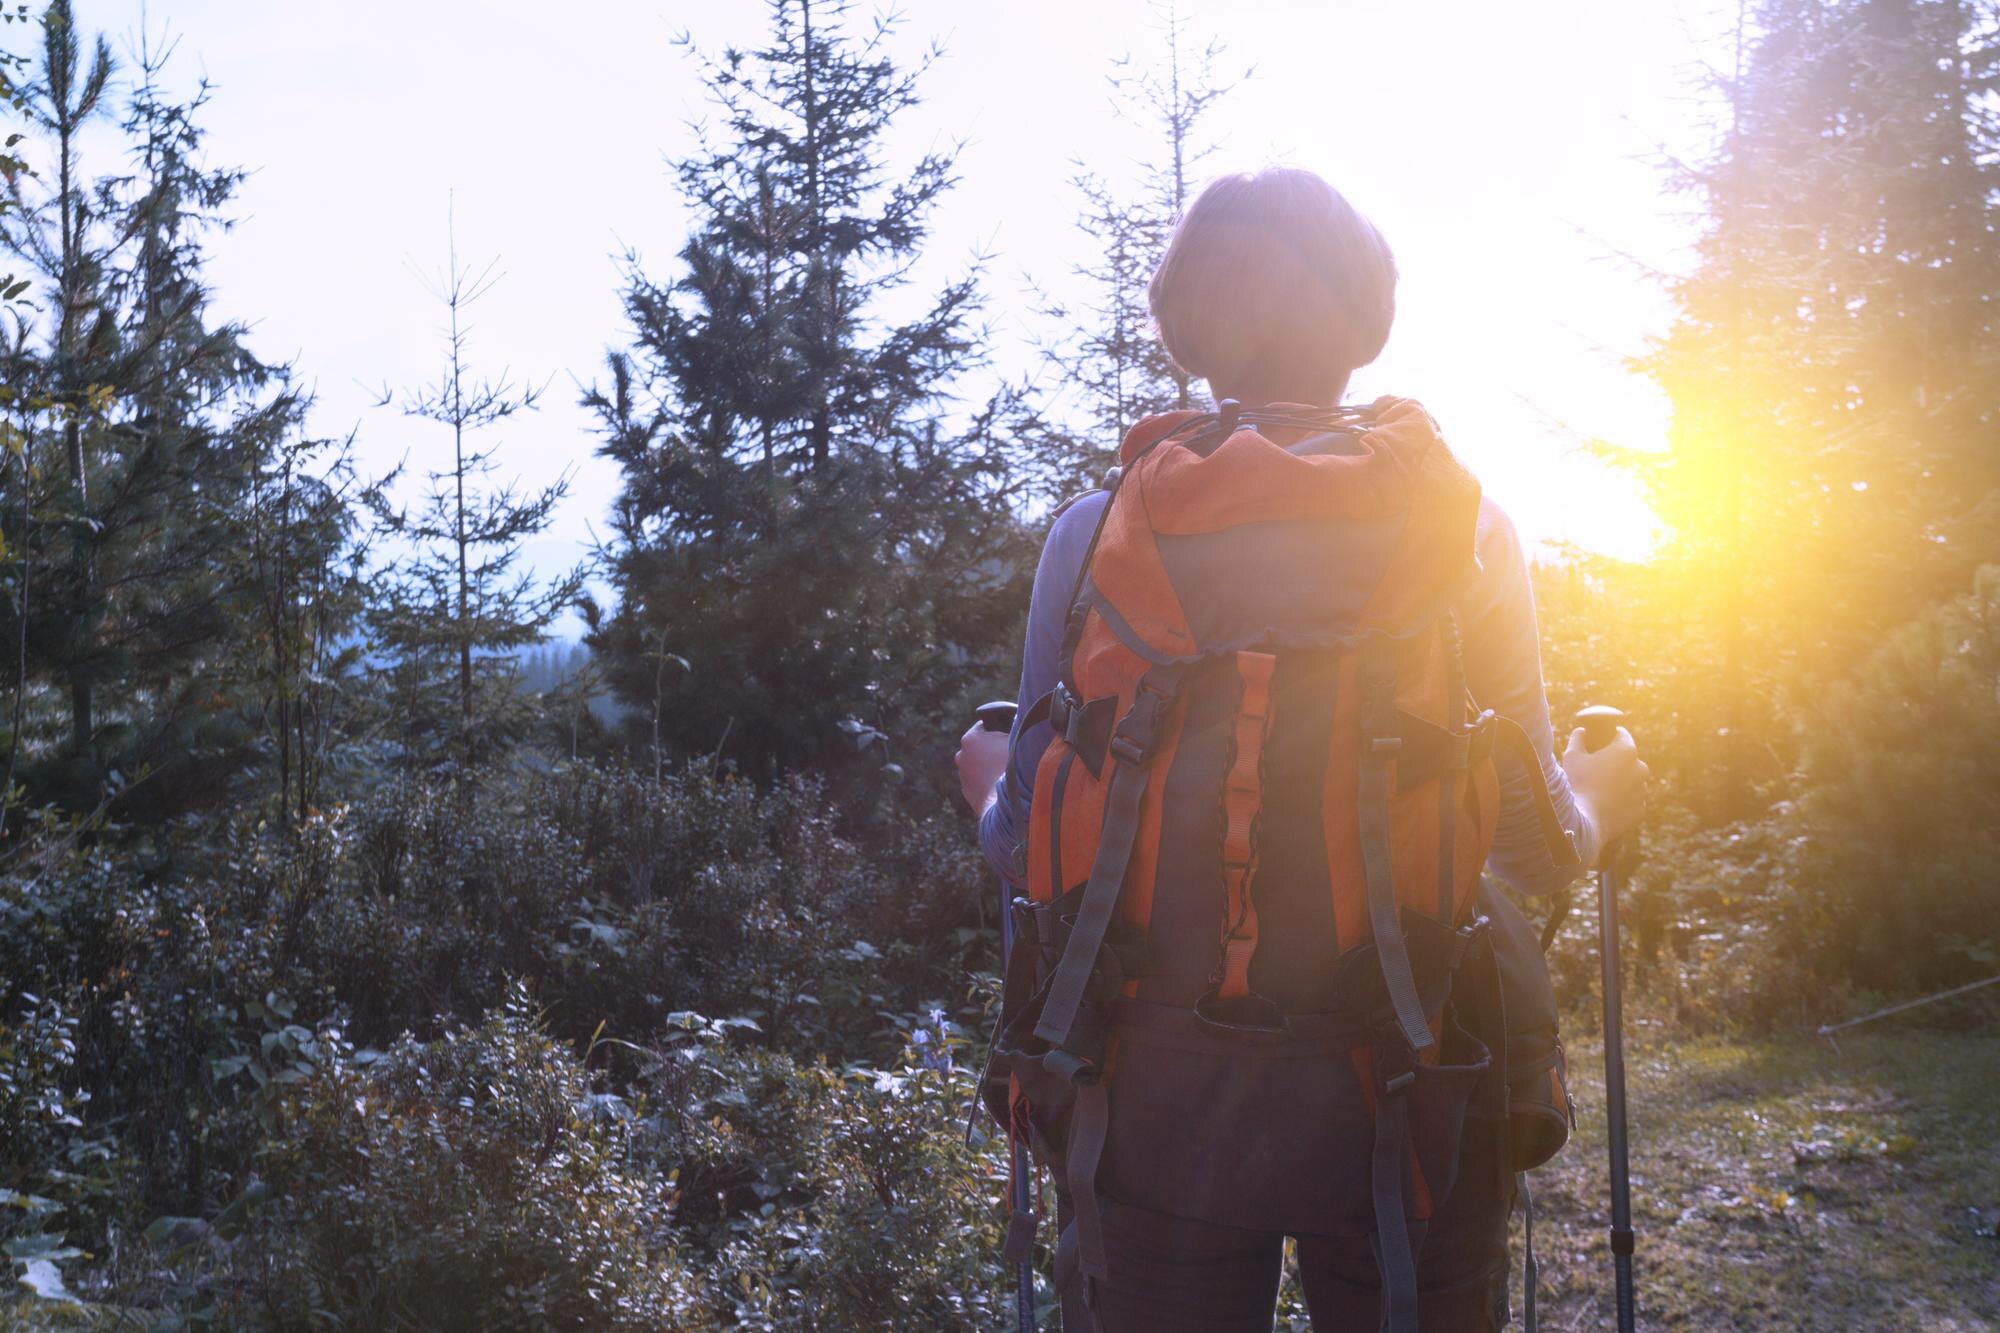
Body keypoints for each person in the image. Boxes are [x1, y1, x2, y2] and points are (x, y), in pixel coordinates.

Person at [956, 165, 1648, 1331]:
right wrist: (1599, 793)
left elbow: (1034, 845)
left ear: (1188, 327)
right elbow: (1527, 846)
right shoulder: (1461, 529)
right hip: (1409, 1091)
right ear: (1364, 318)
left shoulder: (1094, 534)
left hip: (1152, 1107)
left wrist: (982, 783)